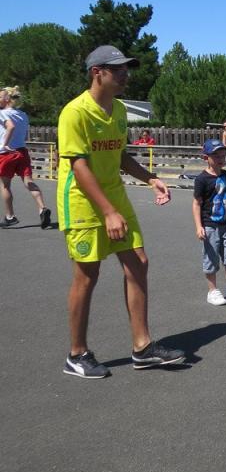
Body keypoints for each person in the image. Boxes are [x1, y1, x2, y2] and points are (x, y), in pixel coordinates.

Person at [59, 45, 185, 379]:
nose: (125, 74)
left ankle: (142, 347)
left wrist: (151, 178)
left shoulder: (117, 110)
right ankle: (76, 353)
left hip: (114, 198)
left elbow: (121, 155)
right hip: (83, 203)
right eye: (118, 69)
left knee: (138, 263)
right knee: (87, 275)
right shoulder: (75, 112)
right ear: (96, 72)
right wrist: (107, 212)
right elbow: (80, 166)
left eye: (126, 69)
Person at [192, 139, 226, 305]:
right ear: (206, 157)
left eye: (223, 155)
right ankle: (212, 291)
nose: (220, 158)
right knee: (211, 259)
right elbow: (196, 203)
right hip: (209, 226)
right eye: (216, 155)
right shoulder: (202, 179)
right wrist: (198, 226)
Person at [0, 86, 51, 228]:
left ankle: (10, 216)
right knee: (28, 181)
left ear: (7, 99)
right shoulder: (23, 115)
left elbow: (10, 127)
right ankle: (42, 208)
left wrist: (4, 144)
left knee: (5, 185)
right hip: (22, 151)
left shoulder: (2, 113)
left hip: (7, 153)